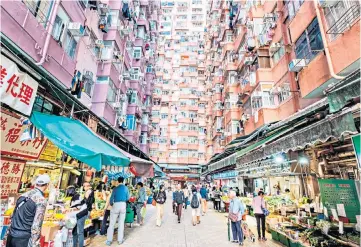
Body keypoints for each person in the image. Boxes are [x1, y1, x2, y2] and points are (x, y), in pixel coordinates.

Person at [5, 174, 49, 247]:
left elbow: (12, 217)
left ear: (36, 184)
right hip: (23, 239)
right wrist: (35, 244)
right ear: (47, 185)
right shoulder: (41, 200)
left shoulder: (23, 195)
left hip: (11, 236)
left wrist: (6, 235)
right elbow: (37, 225)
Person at [106, 177, 130, 246]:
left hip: (116, 205)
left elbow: (111, 199)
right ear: (123, 181)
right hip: (123, 205)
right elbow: (128, 198)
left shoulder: (115, 188)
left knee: (112, 223)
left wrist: (111, 204)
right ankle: (120, 240)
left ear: (118, 181)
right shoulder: (126, 188)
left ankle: (109, 240)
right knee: (121, 223)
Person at [71, 182, 94, 247]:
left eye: (85, 186)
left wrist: (74, 206)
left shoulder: (88, 192)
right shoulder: (90, 192)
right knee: (75, 231)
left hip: (83, 213)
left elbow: (84, 202)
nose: (84, 188)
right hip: (84, 212)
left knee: (80, 232)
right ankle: (74, 245)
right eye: (84, 186)